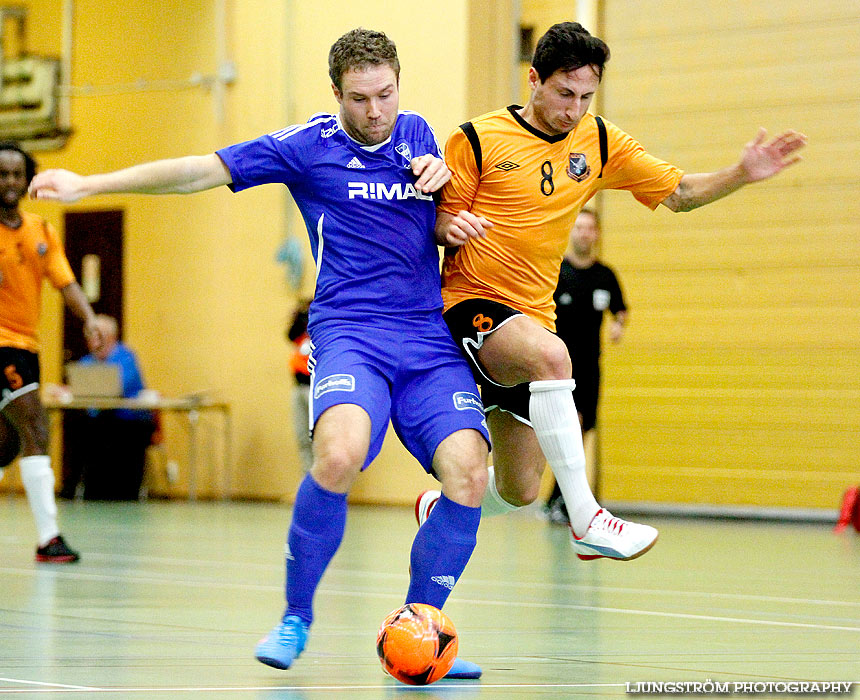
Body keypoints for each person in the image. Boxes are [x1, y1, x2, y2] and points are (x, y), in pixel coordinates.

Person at [30, 28, 490, 679]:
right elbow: (199, 170)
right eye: (360, 99)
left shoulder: (417, 133)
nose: (376, 111)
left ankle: (424, 629)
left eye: (386, 94)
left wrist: (450, 210)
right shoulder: (307, 147)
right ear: (337, 94)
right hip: (351, 335)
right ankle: (295, 616)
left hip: (425, 340)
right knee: (337, 455)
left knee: (470, 474)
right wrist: (90, 183)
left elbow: (445, 218)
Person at [418, 21, 806, 561]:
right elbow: (436, 221)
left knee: (518, 489)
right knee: (555, 358)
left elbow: (680, 194)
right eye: (563, 93)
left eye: (586, 96)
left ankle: (439, 507)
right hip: (471, 307)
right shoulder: (477, 139)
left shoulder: (598, 140)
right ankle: (586, 519)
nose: (574, 109)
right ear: (533, 79)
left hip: (532, 316)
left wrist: (741, 172)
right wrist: (449, 226)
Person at [0, 141, 103, 563]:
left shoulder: (42, 230)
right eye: (1, 174)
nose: (9, 181)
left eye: (16, 174)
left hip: (27, 345)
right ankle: (49, 539)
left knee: (5, 444)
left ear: (28, 180)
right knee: (37, 428)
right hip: (2, 344)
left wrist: (89, 319)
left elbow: (64, 282)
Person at [544, 208, 627, 525]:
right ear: (571, 232)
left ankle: (557, 500)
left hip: (591, 368)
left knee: (581, 435)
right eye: (578, 228)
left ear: (597, 234)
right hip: (558, 371)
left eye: (590, 228)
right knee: (571, 432)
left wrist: (618, 324)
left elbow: (620, 309)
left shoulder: (605, 275)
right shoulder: (555, 273)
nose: (584, 233)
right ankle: (566, 502)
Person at [61, 314, 156, 500]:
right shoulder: (87, 362)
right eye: (91, 336)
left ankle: (124, 493)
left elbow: (118, 386)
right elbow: (79, 387)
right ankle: (79, 489)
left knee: (112, 432)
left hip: (128, 422)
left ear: (112, 337)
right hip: (98, 422)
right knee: (79, 430)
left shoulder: (126, 357)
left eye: (99, 336)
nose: (94, 341)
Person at [286, 299, 312, 473]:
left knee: (317, 438)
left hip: (314, 387)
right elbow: (290, 335)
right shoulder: (300, 333)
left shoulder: (322, 329)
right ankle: (307, 480)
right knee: (302, 437)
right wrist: (299, 317)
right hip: (298, 386)